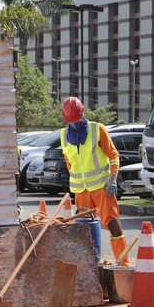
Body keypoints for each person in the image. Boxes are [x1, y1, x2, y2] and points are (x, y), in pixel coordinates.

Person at [57, 97, 126, 260]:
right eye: (71, 120)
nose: (75, 123)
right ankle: (89, 267)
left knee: (113, 225)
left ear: (82, 113)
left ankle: (123, 263)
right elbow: (69, 163)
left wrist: (113, 178)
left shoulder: (97, 129)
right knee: (84, 230)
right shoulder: (63, 135)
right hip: (81, 191)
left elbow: (114, 155)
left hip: (102, 187)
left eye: (77, 119)